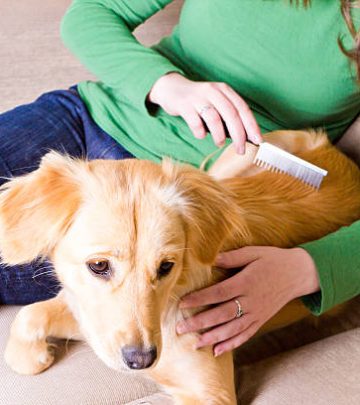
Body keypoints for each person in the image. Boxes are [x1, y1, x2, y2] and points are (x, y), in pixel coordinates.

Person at [1, 0, 360, 358]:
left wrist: (308, 268)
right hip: (94, 116)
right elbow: (89, 14)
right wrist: (165, 84)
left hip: (180, 196)